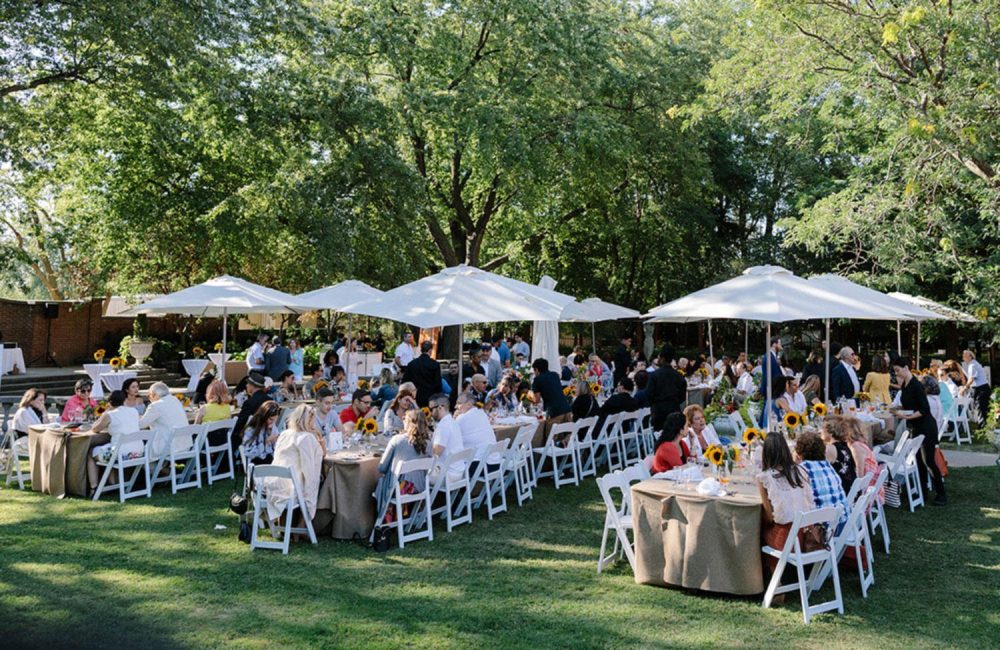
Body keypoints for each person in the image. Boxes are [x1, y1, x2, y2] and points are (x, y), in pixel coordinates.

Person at [757, 433, 815, 574]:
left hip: (786, 541)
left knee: (758, 529)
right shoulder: (800, 471)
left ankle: (775, 580)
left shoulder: (764, 477)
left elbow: (770, 516)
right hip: (805, 535)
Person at [891, 356, 946, 505]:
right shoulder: (905, 385)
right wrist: (898, 409)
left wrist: (905, 416)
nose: (897, 374)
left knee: (928, 460)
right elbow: (910, 404)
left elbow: (924, 409)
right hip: (915, 426)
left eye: (898, 370)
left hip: (926, 426)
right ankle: (922, 491)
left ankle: (941, 493)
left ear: (906, 368)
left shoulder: (916, 385)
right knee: (918, 461)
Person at [264, 404, 325, 531]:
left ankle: (286, 523)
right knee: (317, 480)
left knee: (308, 479)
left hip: (273, 483)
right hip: (291, 487)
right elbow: (312, 466)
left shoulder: (284, 434)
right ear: (309, 421)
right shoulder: (307, 438)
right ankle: (302, 525)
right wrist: (319, 437)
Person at [376, 409, 433, 519]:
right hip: (420, 487)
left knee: (380, 482)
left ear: (409, 422)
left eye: (404, 419)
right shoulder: (429, 443)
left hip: (401, 488)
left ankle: (385, 520)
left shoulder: (397, 440)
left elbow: (382, 468)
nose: (402, 421)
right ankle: (402, 516)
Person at [88, 390, 144, 491]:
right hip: (138, 452)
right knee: (108, 448)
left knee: (91, 452)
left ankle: (94, 487)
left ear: (109, 402)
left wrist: (105, 413)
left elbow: (95, 428)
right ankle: (112, 481)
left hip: (120, 454)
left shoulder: (110, 414)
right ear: (124, 400)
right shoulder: (134, 411)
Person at [794, 430, 849, 530]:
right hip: (842, 523)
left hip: (822, 531)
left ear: (799, 453)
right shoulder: (827, 465)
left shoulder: (802, 470)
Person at [139, 382, 191, 459]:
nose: (149, 398)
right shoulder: (175, 400)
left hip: (168, 448)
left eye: (149, 395)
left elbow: (141, 424)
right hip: (185, 445)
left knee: (140, 447)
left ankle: (154, 470)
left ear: (154, 394)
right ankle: (163, 469)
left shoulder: (155, 406)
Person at [528, 358, 573, 440]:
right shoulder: (555, 375)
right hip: (566, 409)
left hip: (554, 411)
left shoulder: (537, 379)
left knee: (551, 440)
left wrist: (530, 394)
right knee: (567, 438)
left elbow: (536, 400)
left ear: (537, 369)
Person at [645, 347, 687, 430]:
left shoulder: (654, 375)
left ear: (662, 358)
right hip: (674, 409)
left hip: (659, 412)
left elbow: (649, 395)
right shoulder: (679, 376)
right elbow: (682, 397)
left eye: (659, 358)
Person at [429, 393, 466, 478]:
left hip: (447, 474)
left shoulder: (443, 426)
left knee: (414, 470)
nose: (430, 413)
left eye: (431, 409)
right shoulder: (453, 422)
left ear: (440, 407)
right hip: (459, 471)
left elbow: (435, 454)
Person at [822, 416, 858, 494]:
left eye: (822, 429)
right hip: (852, 490)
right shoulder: (845, 445)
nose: (819, 431)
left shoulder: (830, 449)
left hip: (842, 492)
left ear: (830, 433)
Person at [233, 372, 268, 449]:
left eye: (248, 384)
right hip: (265, 434)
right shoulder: (269, 400)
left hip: (251, 436)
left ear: (253, 386)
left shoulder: (250, 402)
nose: (246, 385)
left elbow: (240, 423)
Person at [403, 340, 442, 407]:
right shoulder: (435, 364)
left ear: (421, 350)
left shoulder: (411, 364)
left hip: (415, 398)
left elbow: (405, 382)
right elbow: (438, 384)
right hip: (430, 398)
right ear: (430, 350)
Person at [11, 389, 50, 455]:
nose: (43, 403)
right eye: (40, 400)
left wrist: (44, 412)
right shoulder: (24, 412)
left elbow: (47, 426)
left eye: (43, 400)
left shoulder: (37, 411)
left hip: (35, 439)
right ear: (31, 400)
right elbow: (36, 430)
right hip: (23, 442)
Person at [242, 400, 281, 465]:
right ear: (263, 417)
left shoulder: (272, 426)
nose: (273, 422)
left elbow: (275, 450)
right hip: (258, 464)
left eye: (275, 420)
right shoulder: (251, 429)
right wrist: (265, 442)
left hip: (271, 461)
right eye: (271, 419)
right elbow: (249, 453)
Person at [961, 349, 991, 422]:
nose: (963, 358)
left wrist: (964, 388)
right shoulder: (974, 364)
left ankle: (982, 429)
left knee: (981, 409)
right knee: (983, 410)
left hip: (981, 390)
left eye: (965, 356)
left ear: (970, 357)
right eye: (963, 356)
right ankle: (984, 428)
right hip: (983, 388)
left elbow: (971, 379)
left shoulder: (973, 365)